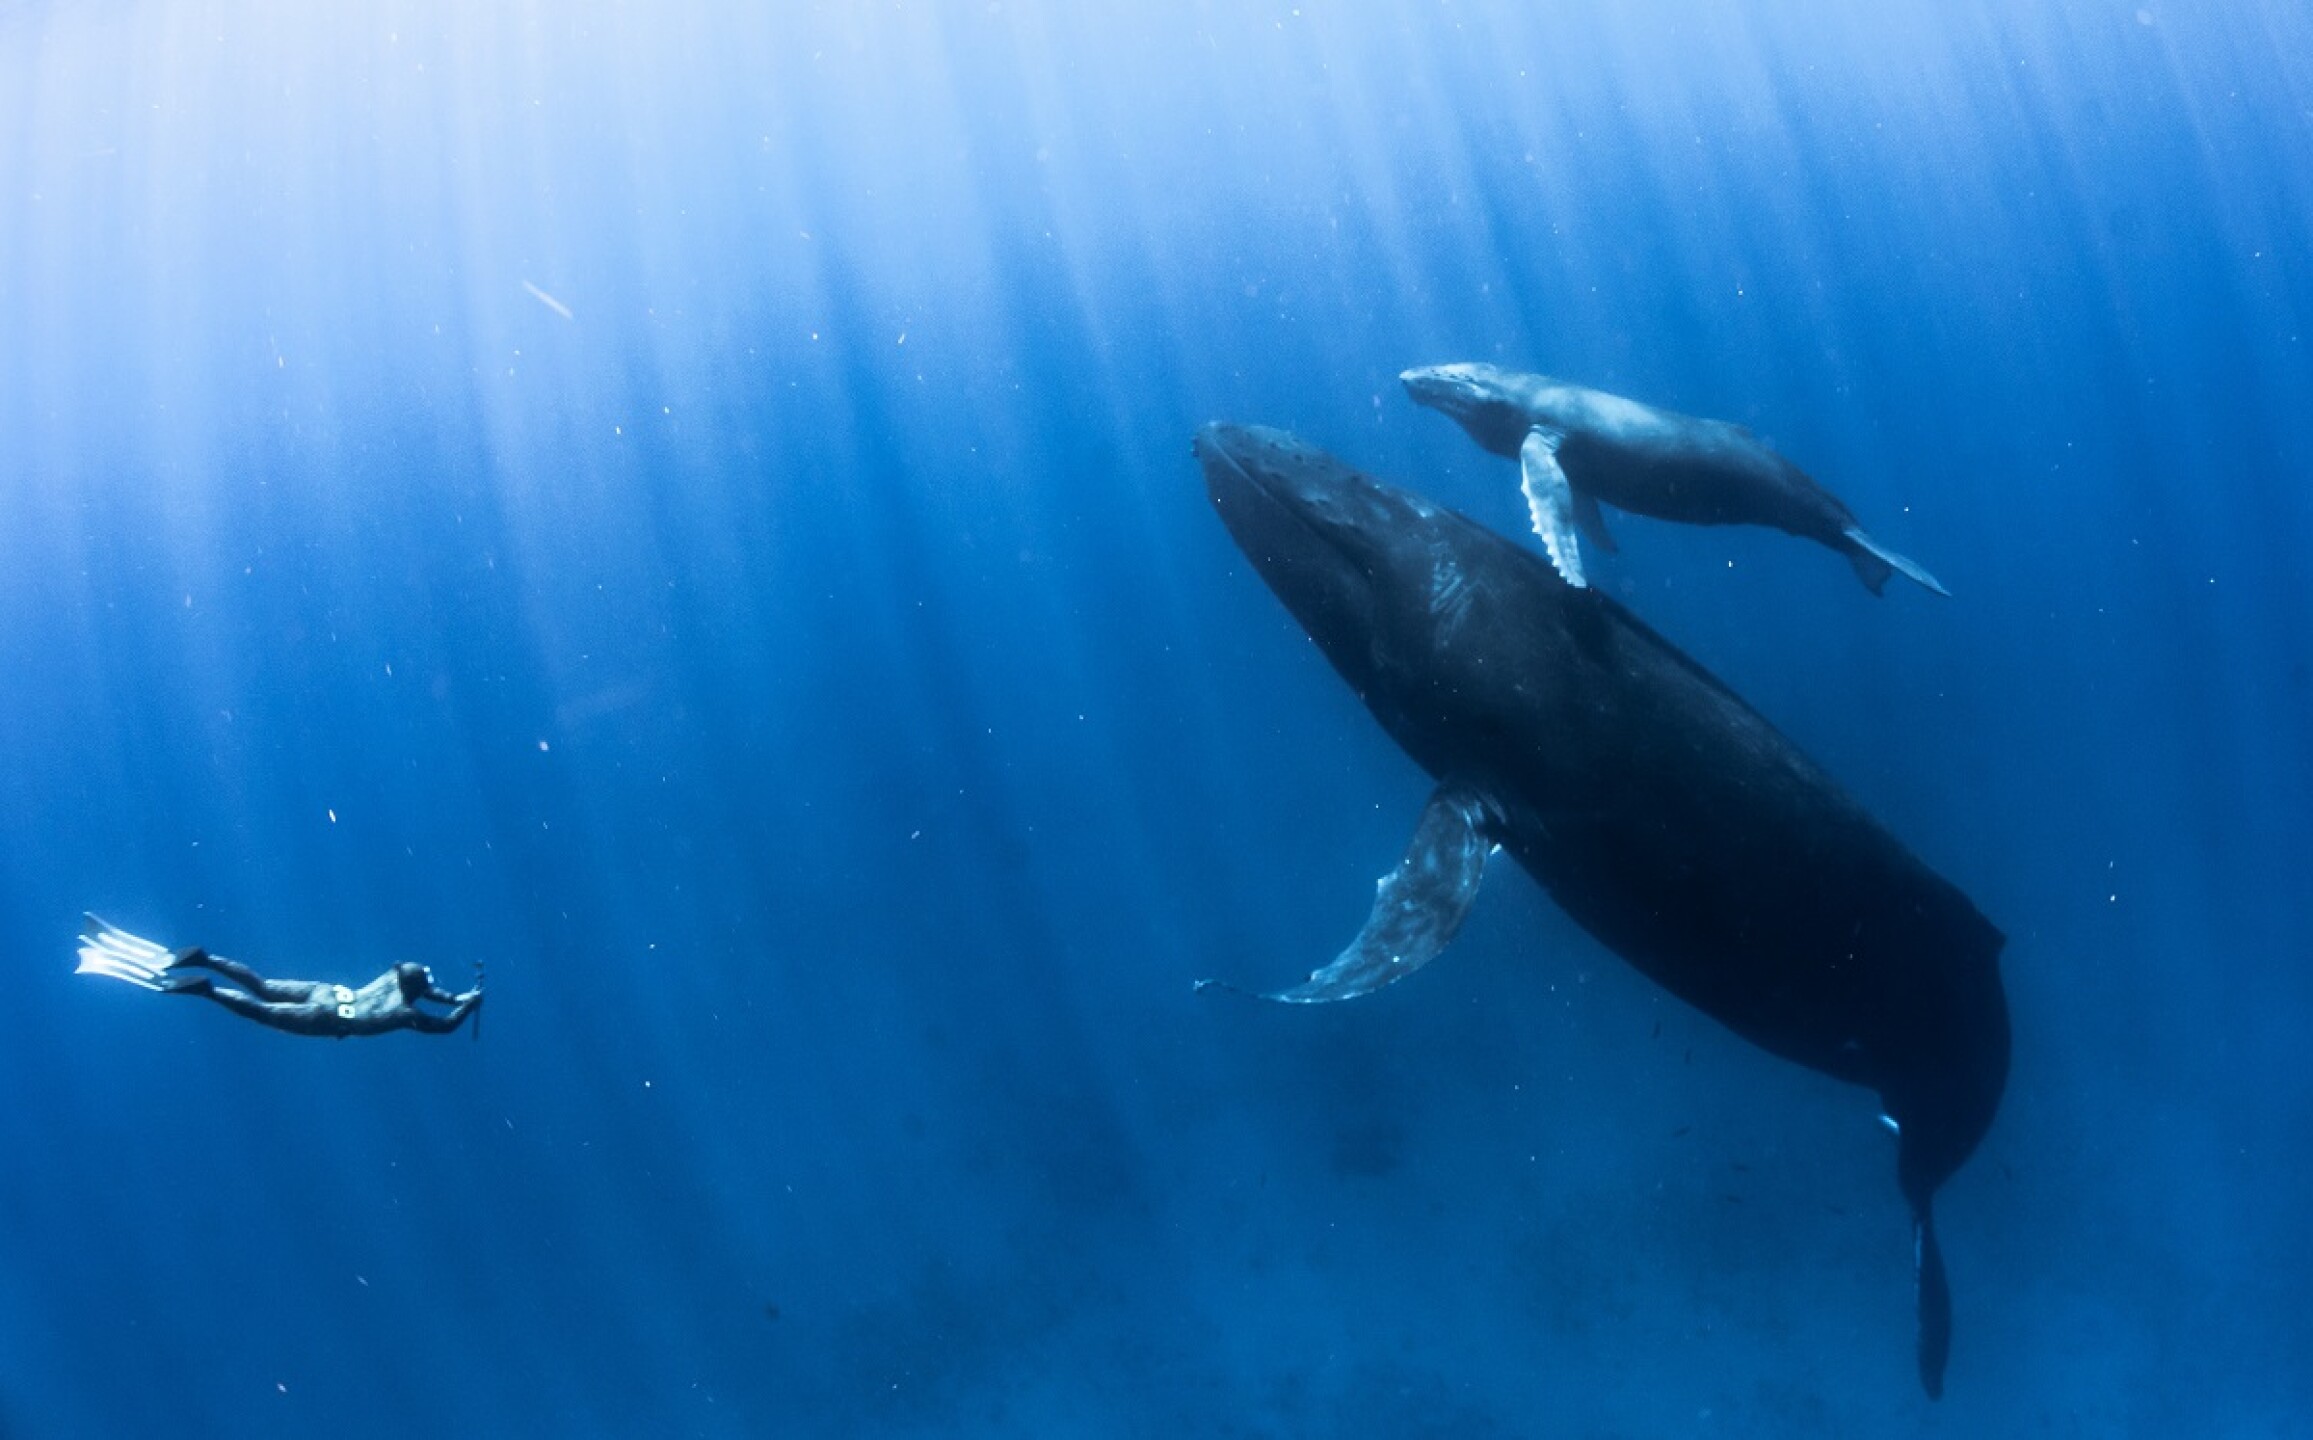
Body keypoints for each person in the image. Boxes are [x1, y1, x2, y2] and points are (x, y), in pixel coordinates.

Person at [76, 914, 483, 1038]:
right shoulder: (404, 1012)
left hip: (330, 993)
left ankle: (206, 958)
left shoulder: (398, 974)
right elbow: (444, 1023)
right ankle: (207, 990)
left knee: (263, 985)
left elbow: (432, 989)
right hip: (333, 1019)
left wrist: (462, 996)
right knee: (259, 1011)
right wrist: (467, 1006)